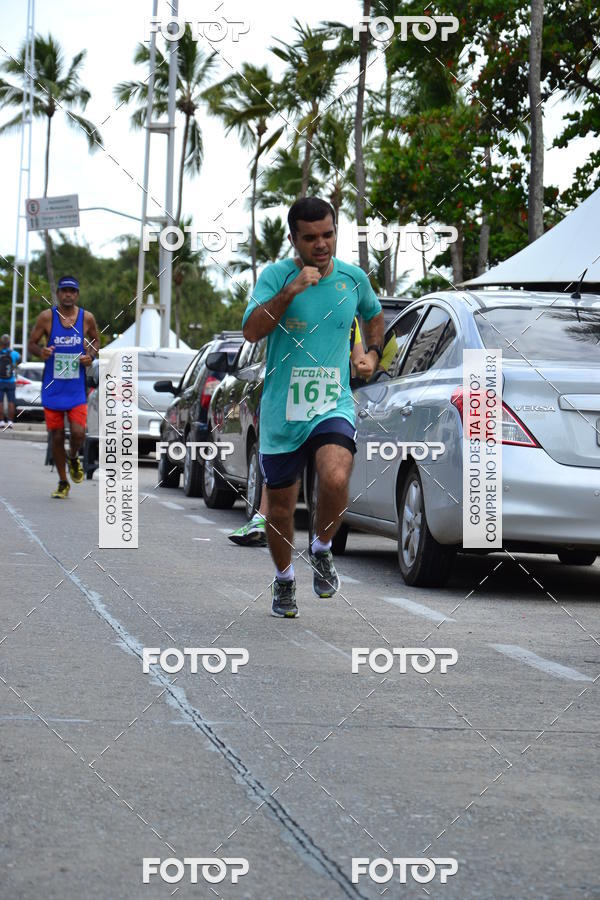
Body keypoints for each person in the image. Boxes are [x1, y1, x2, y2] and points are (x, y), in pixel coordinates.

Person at [242, 197, 384, 617]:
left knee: (336, 476)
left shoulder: (353, 278)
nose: (321, 244)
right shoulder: (276, 276)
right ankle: (284, 579)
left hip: (331, 402)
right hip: (282, 411)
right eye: (310, 238)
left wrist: (372, 353)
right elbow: (251, 331)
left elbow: (374, 315)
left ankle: (321, 548)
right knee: (281, 509)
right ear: (293, 239)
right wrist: (290, 292)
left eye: (328, 234)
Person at [228, 316, 375, 547]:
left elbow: (358, 360)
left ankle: (275, 523)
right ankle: (268, 521)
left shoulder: (345, 317)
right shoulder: (313, 308)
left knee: (311, 461)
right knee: (292, 460)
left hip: (319, 397)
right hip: (306, 396)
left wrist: (367, 364)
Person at [28, 276, 99, 499]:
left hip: (76, 388)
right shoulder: (46, 317)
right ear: (58, 293)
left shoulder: (87, 318)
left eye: (72, 291)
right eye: (64, 290)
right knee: (57, 437)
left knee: (78, 433)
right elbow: (31, 343)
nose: (68, 294)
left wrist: (90, 356)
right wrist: (41, 352)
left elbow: (96, 341)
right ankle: (62, 481)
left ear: (77, 295)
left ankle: (73, 457)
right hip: (53, 388)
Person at [0, 334, 21, 429]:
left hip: (0, 381)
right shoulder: (14, 354)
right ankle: (10, 422)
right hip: (11, 381)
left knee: (0, 402)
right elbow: (19, 361)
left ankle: (1, 422)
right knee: (11, 402)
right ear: (9, 343)